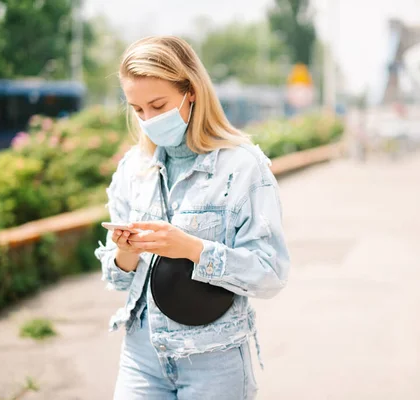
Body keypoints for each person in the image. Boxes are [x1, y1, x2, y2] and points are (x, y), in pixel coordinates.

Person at [94, 36, 290, 400]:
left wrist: (192, 249)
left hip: (213, 360)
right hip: (140, 355)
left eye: (158, 105)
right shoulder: (133, 170)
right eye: (138, 110)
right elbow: (118, 279)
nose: (148, 120)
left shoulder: (243, 167)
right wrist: (126, 253)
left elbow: (271, 274)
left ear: (192, 92)